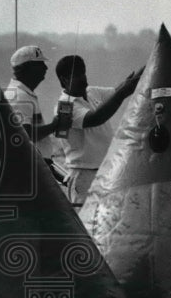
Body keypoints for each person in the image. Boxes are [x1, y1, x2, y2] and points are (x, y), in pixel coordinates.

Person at [53, 55, 143, 206]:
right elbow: (95, 118)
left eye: (83, 73)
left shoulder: (92, 92)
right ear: (64, 80)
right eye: (76, 75)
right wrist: (123, 91)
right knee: (87, 225)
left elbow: (120, 89)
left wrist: (148, 66)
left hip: (105, 172)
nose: (82, 78)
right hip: (84, 177)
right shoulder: (64, 107)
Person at [3, 45, 57, 159]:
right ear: (27, 68)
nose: (45, 68)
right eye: (40, 64)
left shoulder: (24, 94)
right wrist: (55, 126)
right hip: (31, 166)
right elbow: (24, 134)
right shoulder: (18, 96)